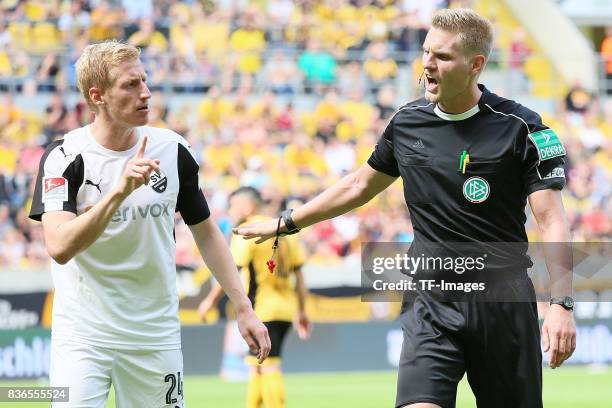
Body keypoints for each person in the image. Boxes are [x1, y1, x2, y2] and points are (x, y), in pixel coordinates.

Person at [235, 8, 576, 408]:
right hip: (430, 299)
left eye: (443, 56)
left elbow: (552, 219)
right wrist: (286, 222)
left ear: (476, 64)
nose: (428, 64)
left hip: (502, 300)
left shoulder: (524, 128)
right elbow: (359, 185)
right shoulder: (407, 123)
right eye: (426, 51)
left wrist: (561, 304)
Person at [28, 40, 270, 407]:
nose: (146, 93)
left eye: (144, 80)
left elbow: (206, 233)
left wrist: (243, 306)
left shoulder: (173, 150)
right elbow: (59, 246)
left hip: (154, 336)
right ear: (98, 96)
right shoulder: (64, 157)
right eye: (130, 85)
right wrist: (119, 191)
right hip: (82, 338)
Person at [198, 187, 311, 408]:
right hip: (286, 309)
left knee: (268, 367)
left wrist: (210, 300)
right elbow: (299, 275)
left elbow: (231, 270)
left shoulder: (248, 231)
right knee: (257, 367)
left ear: (248, 207)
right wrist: (302, 311)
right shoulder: (284, 229)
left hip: (262, 309)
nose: (230, 211)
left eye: (233, 206)